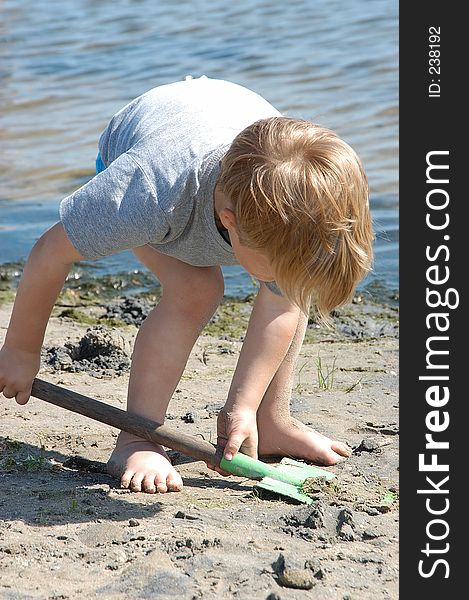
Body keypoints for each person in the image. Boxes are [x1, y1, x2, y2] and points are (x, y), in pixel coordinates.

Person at [0, 76, 373, 494]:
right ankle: (137, 436)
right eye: (274, 270)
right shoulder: (147, 192)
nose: (284, 283)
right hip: (139, 142)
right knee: (196, 289)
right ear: (231, 224)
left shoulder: (294, 205)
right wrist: (20, 350)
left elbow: (283, 301)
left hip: (227, 119)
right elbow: (50, 252)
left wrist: (242, 407)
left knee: (291, 283)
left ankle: (272, 421)